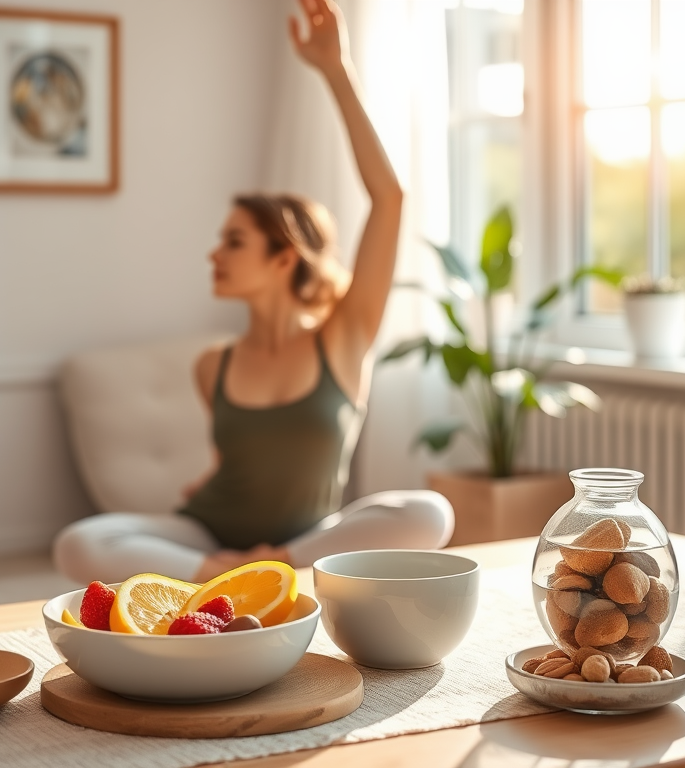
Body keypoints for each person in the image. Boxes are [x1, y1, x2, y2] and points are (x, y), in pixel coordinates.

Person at [53, 0, 453, 585]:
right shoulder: (211, 366)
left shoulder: (343, 338)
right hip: (210, 534)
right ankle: (227, 573)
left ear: (283, 257)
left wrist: (335, 71)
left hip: (303, 539)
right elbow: (242, 467)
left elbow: (388, 198)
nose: (215, 254)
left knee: (429, 513)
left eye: (234, 241)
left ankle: (266, 571)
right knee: (80, 542)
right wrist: (215, 505)